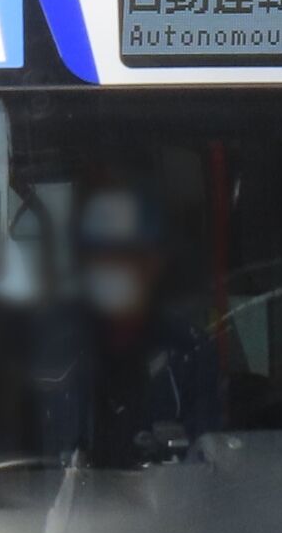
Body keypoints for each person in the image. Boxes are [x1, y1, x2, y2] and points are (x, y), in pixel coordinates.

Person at [33, 185, 220, 468]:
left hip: (166, 495)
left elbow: (209, 457)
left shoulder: (189, 353)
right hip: (65, 496)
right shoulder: (49, 355)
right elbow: (17, 465)